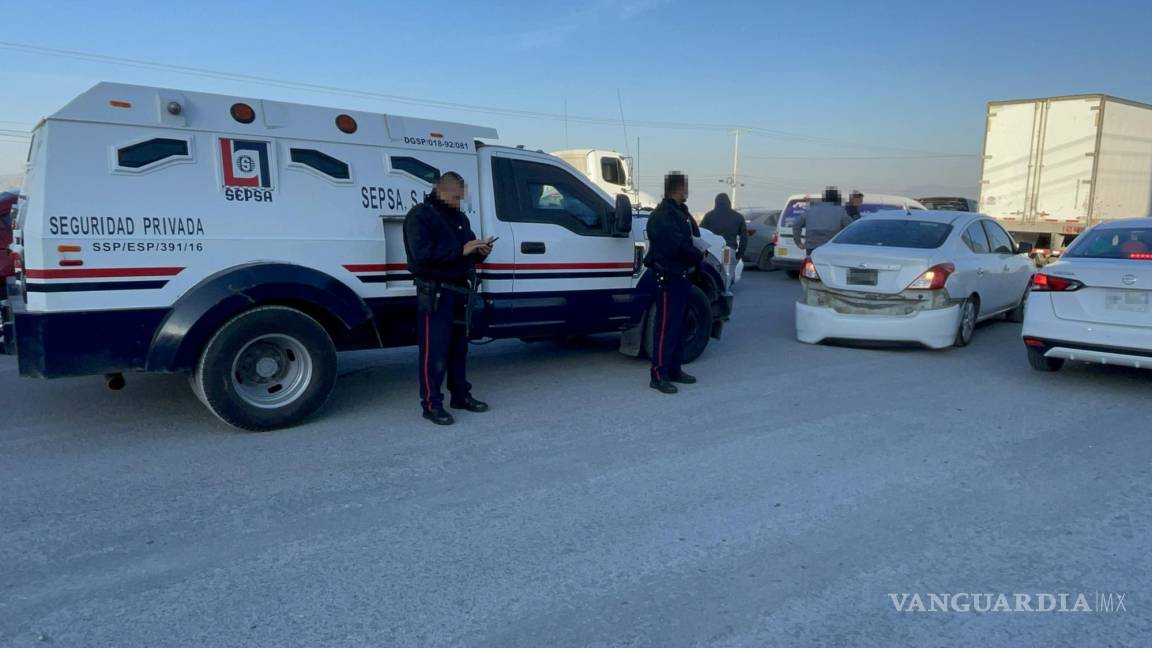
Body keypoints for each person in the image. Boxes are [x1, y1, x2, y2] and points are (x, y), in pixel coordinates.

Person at [403, 172, 495, 425]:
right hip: (436, 292)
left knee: (458, 349)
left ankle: (461, 395)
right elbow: (420, 256)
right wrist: (461, 249)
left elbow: (465, 256)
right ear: (441, 191)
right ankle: (431, 405)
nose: (459, 202)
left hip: (460, 292)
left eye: (461, 198)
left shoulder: (460, 218)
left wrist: (480, 251)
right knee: (435, 352)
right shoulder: (420, 216)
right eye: (455, 197)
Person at [644, 172, 704, 394]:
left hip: (682, 276)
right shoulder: (663, 216)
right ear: (678, 189)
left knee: (678, 325)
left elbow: (689, 236)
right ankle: (658, 374)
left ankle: (675, 369)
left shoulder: (679, 212)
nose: (687, 192)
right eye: (685, 187)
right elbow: (677, 246)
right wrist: (698, 255)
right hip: (669, 277)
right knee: (666, 327)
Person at [792, 186, 854, 258]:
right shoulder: (840, 211)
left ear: (824, 198)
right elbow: (851, 227)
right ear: (837, 199)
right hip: (831, 248)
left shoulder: (810, 210)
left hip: (812, 247)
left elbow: (796, 225)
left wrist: (798, 243)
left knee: (812, 267)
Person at [701, 192, 748, 285]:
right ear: (729, 203)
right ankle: (725, 293)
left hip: (712, 251)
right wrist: (740, 254)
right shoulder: (738, 217)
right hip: (727, 250)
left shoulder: (709, 216)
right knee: (726, 275)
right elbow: (744, 238)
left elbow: (701, 234)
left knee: (712, 274)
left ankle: (713, 293)